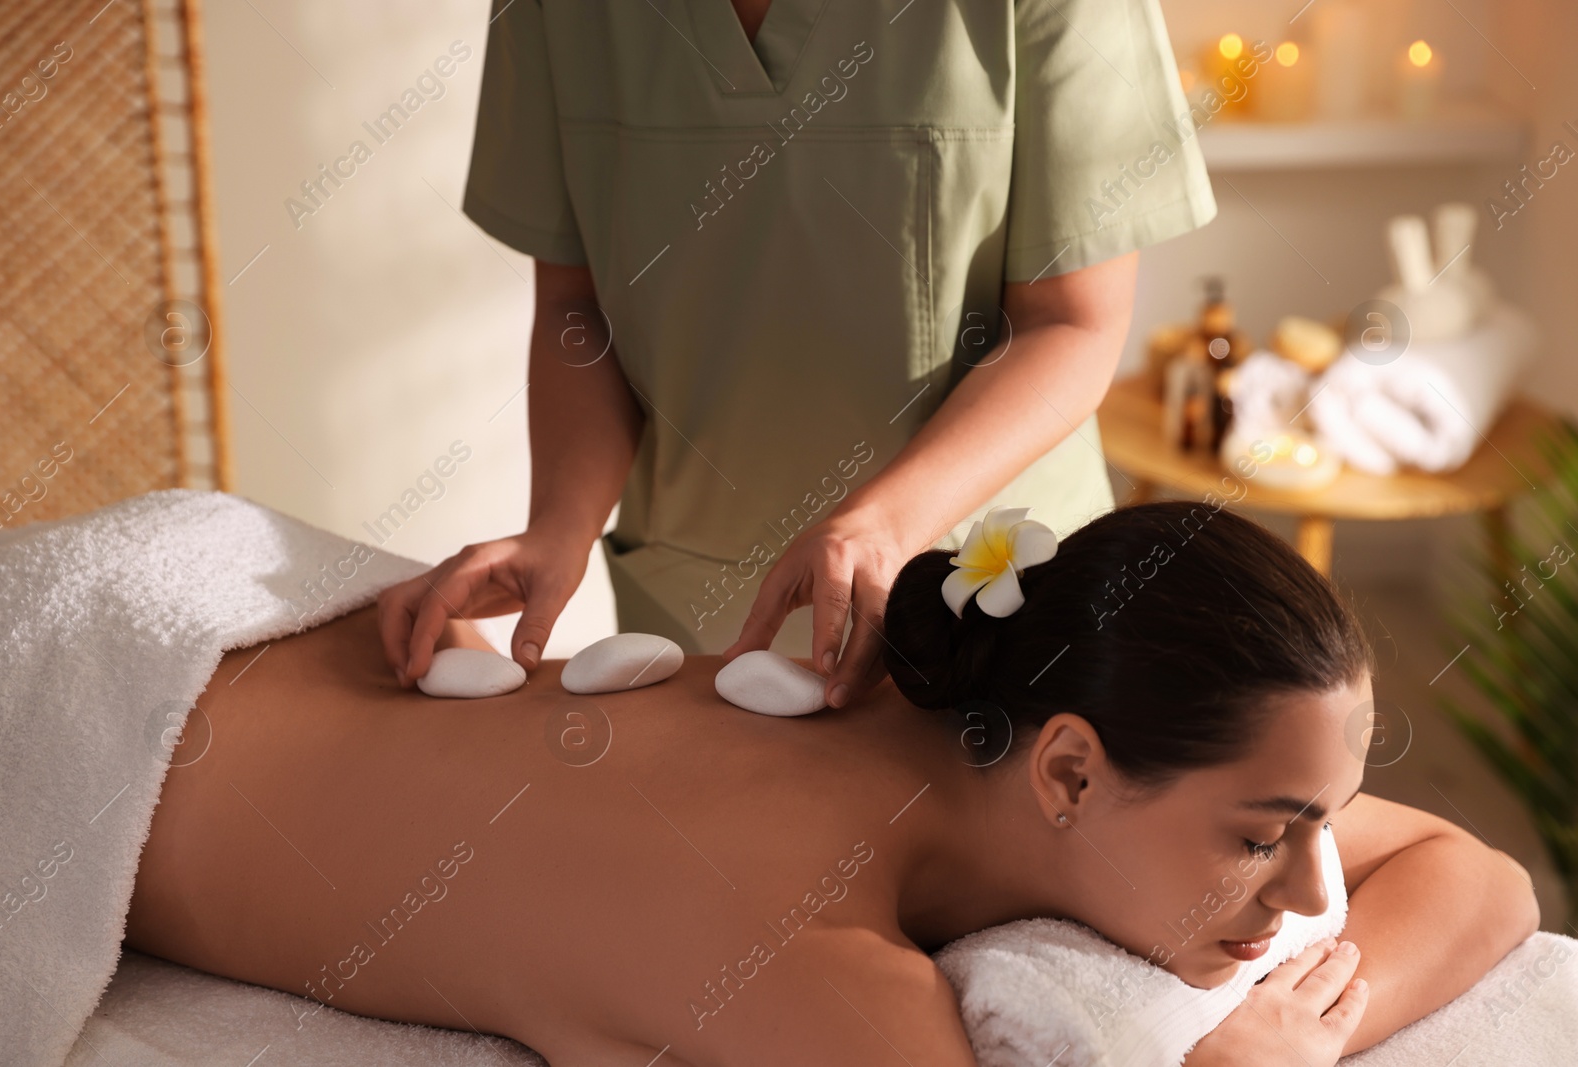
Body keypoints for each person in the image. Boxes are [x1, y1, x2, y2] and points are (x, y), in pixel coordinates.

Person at [126, 502, 1537, 1066]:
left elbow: (1486, 880)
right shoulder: (815, 947)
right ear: (1067, 767)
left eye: (1318, 824)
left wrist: (1311, 1025)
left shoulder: (978, 724)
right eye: (1263, 838)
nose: (1308, 894)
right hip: (131, 706)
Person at [377, 0, 1220, 708]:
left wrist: (879, 527)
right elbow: (578, 311)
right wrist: (557, 526)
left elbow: (1069, 322)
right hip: (698, 606)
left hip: (989, 593)